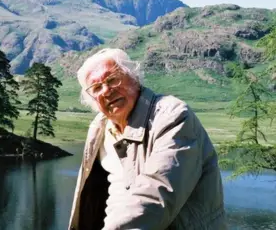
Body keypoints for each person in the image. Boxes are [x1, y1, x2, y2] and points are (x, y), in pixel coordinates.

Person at [68, 48, 227, 230]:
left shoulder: (172, 117)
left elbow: (156, 195)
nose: (106, 91)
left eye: (112, 80)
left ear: (134, 79)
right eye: (96, 88)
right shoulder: (100, 127)